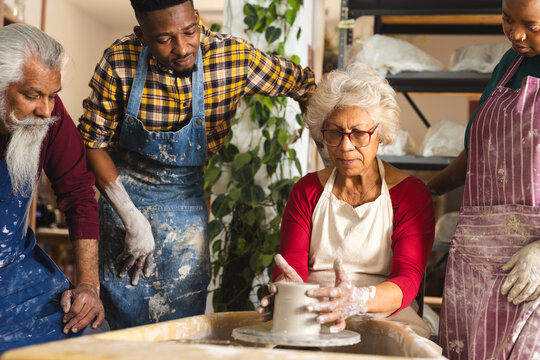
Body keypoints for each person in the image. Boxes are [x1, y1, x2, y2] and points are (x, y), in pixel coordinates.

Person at [78, 0, 316, 329]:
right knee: (121, 321)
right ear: (142, 35)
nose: (182, 47)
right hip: (123, 204)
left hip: (186, 210)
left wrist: (326, 142)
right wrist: (130, 215)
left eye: (189, 31)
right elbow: (92, 142)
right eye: (164, 39)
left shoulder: (232, 58)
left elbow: (304, 84)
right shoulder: (120, 60)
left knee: (181, 323)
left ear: (198, 20)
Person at [257, 63, 435, 338]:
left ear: (380, 134)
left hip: (386, 311)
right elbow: (292, 266)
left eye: (359, 134)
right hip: (313, 306)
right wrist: (287, 288)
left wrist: (358, 299)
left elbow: (407, 280)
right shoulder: (307, 190)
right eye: (334, 133)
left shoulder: (410, 195)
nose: (345, 146)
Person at [427, 0, 540, 358]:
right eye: (507, 20)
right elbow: (478, 148)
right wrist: (428, 189)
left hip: (531, 267)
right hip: (477, 257)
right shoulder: (511, 63)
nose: (516, 34)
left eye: (532, 26)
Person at [0, 24, 106, 354]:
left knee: (88, 335)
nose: (47, 110)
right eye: (32, 95)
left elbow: (78, 193)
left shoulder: (50, 115)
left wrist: (89, 285)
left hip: (14, 267)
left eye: (53, 94)